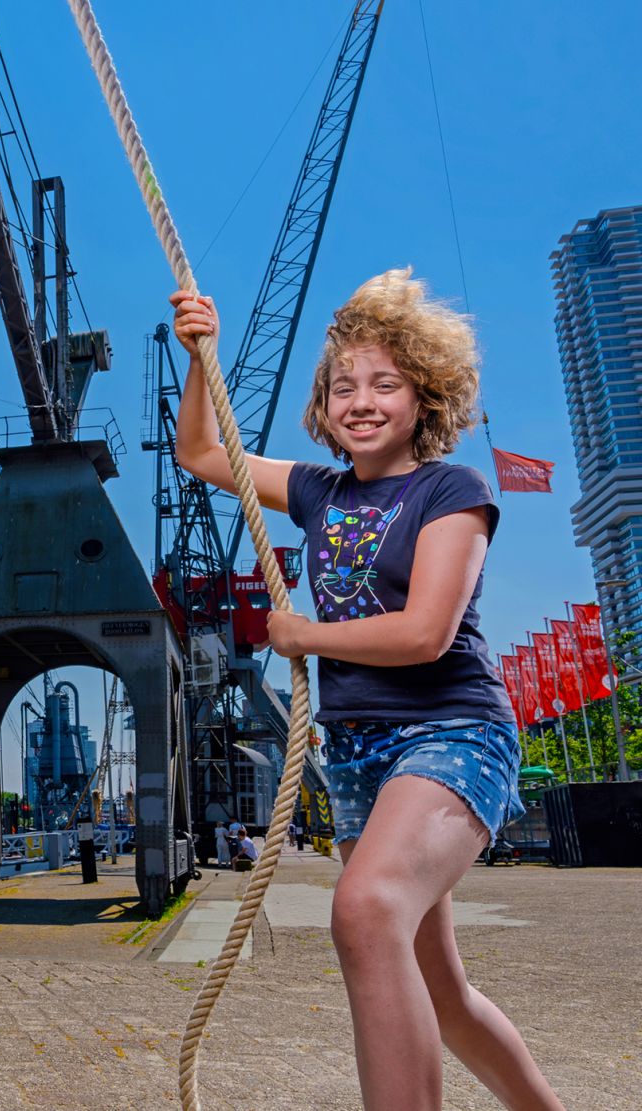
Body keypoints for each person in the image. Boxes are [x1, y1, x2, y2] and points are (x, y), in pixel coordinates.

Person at [172, 272, 562, 1110]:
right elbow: (204, 454)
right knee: (441, 989)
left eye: (385, 383)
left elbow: (424, 632)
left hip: (452, 730)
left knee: (367, 905)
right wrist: (201, 355)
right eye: (344, 384)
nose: (361, 400)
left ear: (425, 394)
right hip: (356, 755)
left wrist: (304, 635)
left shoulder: (452, 490)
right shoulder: (319, 490)